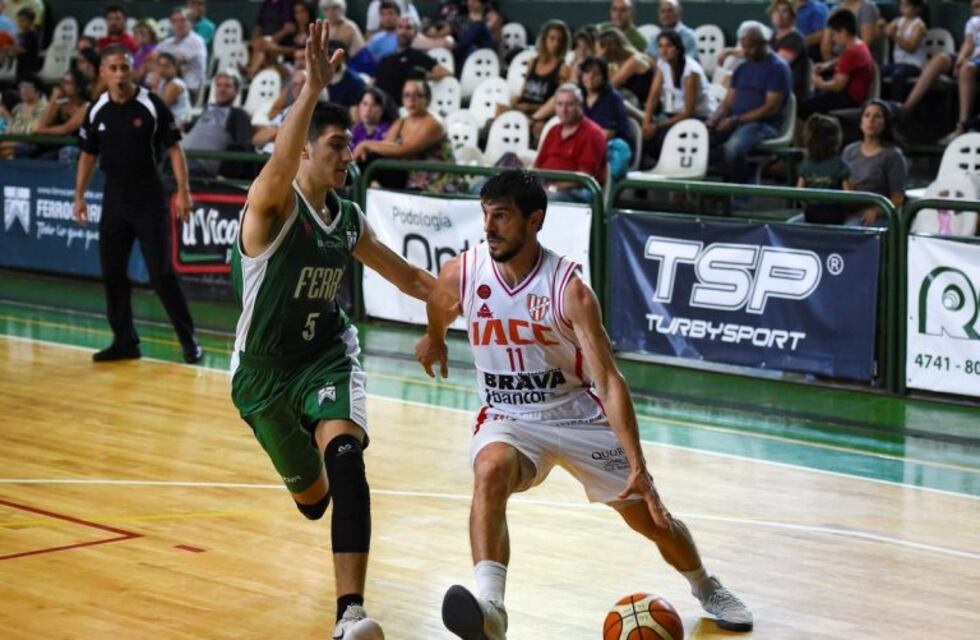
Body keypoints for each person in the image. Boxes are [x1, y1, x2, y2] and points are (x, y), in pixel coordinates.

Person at [415, 168, 754, 640]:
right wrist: (434, 337)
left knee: (652, 521)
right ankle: (491, 609)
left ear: (535, 220)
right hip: (509, 418)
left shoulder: (569, 289)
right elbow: (439, 301)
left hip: (577, 413)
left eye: (502, 216)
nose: (489, 227)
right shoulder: (463, 272)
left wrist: (639, 465)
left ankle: (706, 586)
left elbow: (609, 381)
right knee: (489, 471)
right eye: (486, 215)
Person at [229, 20, 434, 639]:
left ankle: (350, 614)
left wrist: (449, 316)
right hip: (262, 374)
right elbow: (279, 159)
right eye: (338, 145)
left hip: (325, 355)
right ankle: (301, 444)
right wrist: (311, 89)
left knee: (347, 462)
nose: (349, 155)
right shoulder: (272, 206)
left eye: (351, 146)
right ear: (307, 150)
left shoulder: (348, 220)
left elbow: (411, 278)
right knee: (314, 501)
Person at [72, 45, 202, 364]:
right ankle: (124, 340)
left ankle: (189, 340)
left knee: (161, 273)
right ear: (103, 72)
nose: (119, 74)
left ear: (132, 70)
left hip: (149, 200)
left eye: (125, 67)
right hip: (114, 200)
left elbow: (175, 149)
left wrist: (183, 191)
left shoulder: (151, 104)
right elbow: (88, 154)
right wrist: (79, 196)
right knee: (113, 273)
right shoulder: (97, 109)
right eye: (113, 68)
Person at [707, 25, 791, 182]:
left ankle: (741, 189)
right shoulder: (742, 68)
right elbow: (727, 102)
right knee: (704, 139)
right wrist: (714, 118)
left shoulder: (777, 68)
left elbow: (770, 108)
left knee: (734, 148)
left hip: (764, 124)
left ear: (764, 44)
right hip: (736, 120)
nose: (746, 52)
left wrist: (735, 120)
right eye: (744, 47)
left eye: (751, 47)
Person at [352, 76, 452, 191]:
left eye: (417, 95)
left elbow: (404, 149)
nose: (411, 100)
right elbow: (386, 148)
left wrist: (365, 144)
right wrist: (365, 148)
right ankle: (348, 191)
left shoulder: (434, 123)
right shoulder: (401, 122)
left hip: (434, 183)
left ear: (427, 98)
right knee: (368, 159)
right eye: (407, 95)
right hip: (408, 178)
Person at [642, 30, 716, 162]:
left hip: (699, 117)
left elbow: (689, 112)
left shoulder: (691, 71)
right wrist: (646, 123)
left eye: (668, 46)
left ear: (678, 49)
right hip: (675, 114)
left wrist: (657, 126)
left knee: (662, 138)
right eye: (660, 46)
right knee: (645, 137)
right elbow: (653, 96)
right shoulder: (662, 63)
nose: (664, 50)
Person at [533, 83, 607, 202]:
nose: (564, 110)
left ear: (580, 106)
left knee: (545, 198)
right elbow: (538, 166)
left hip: (578, 190)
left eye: (570, 104)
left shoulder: (592, 133)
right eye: (560, 104)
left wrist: (552, 188)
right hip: (547, 187)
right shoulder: (553, 130)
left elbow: (585, 177)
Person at [841, 99, 907, 226]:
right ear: (861, 122)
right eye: (867, 115)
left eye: (877, 116)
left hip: (876, 215)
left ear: (885, 123)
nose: (871, 120)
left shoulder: (893, 155)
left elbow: (898, 197)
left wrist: (877, 211)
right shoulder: (849, 151)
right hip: (848, 211)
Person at [182, 71, 254, 178]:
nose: (222, 89)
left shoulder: (238, 114)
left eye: (227, 86)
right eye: (218, 85)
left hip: (199, 166)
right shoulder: (208, 109)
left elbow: (244, 145)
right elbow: (191, 129)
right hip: (181, 157)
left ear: (236, 91)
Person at [801, 10, 873, 118]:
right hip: (852, 92)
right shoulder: (858, 44)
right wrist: (828, 65)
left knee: (804, 107)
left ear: (843, 32)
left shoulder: (851, 52)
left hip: (851, 99)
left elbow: (837, 86)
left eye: (834, 34)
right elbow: (844, 61)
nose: (833, 38)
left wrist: (819, 83)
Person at [373, 15, 451, 105]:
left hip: (408, 107)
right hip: (384, 106)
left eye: (408, 28)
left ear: (415, 33)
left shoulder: (418, 56)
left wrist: (420, 77)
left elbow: (445, 72)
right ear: (396, 31)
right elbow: (375, 83)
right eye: (400, 27)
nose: (403, 32)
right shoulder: (385, 59)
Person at [513, 20, 571, 140]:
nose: (556, 43)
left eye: (560, 40)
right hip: (523, 108)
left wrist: (530, 108)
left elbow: (557, 102)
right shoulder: (533, 62)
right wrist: (515, 104)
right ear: (544, 39)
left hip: (541, 114)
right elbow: (524, 90)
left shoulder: (563, 68)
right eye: (552, 39)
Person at [580, 55, 635, 180]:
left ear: (604, 77)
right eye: (586, 72)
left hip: (612, 150)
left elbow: (606, 134)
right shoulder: (580, 96)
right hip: (587, 147)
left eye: (596, 74)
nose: (590, 77)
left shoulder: (611, 98)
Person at [796, 114, 852, 224]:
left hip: (811, 212)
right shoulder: (840, 164)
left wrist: (809, 203)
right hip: (835, 213)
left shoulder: (805, 164)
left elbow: (799, 193)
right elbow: (848, 196)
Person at [939, 0, 980, 143]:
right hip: (974, 59)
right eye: (974, 7)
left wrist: (968, 59)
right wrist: (960, 60)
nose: (977, 10)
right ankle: (962, 125)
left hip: (976, 58)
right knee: (960, 66)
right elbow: (968, 43)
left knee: (968, 67)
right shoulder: (973, 22)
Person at [34, 68, 90, 162]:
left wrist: (42, 130)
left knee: (51, 156)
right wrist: (53, 98)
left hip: (76, 146)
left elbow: (65, 129)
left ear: (78, 88)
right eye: (63, 81)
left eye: (67, 83)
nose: (62, 85)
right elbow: (43, 124)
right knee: (25, 150)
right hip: (55, 144)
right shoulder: (60, 103)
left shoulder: (86, 106)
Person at [879, 0, 926, 103]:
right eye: (902, 5)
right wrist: (883, 26)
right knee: (879, 71)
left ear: (917, 8)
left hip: (915, 65)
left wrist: (894, 36)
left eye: (907, 5)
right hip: (899, 63)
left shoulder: (919, 25)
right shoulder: (898, 21)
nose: (903, 8)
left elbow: (911, 47)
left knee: (898, 75)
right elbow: (886, 32)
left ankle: (897, 104)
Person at [156, 7, 208, 96]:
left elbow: (173, 62)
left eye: (183, 20)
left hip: (189, 90)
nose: (179, 24)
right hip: (168, 86)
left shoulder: (196, 41)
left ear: (191, 23)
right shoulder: (167, 42)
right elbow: (153, 58)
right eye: (175, 21)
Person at [596, 27, 654, 108]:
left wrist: (599, 60)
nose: (597, 54)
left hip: (644, 107)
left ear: (607, 48)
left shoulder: (635, 60)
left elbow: (610, 86)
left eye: (598, 50)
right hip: (634, 104)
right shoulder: (616, 64)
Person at [769, 0, 808, 104]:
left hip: (790, 93)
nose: (779, 15)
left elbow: (776, 65)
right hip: (774, 88)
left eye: (784, 11)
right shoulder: (773, 37)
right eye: (776, 11)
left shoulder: (795, 38)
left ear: (792, 16)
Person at [0, 76, 47, 159]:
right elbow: (8, 131)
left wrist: (6, 144)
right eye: (21, 87)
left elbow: (33, 133)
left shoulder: (45, 108)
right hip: (10, 143)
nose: (23, 90)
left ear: (38, 90)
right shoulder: (17, 108)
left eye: (27, 87)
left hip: (31, 145)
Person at [151, 52, 192, 130]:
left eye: (166, 66)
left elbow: (158, 110)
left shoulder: (176, 84)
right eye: (160, 65)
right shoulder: (163, 82)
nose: (162, 69)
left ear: (175, 68)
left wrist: (154, 87)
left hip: (177, 126)